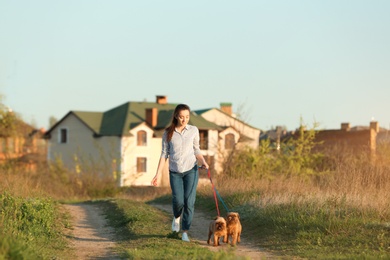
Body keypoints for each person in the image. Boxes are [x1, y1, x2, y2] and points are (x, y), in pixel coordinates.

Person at [151, 104, 209, 242]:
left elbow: (197, 150)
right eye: (182, 117)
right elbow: (164, 154)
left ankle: (185, 232)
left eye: (187, 117)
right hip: (175, 172)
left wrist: (203, 161)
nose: (184, 120)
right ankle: (176, 217)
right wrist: (157, 174)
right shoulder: (168, 133)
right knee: (178, 201)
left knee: (189, 202)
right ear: (176, 116)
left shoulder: (193, 130)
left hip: (191, 170)